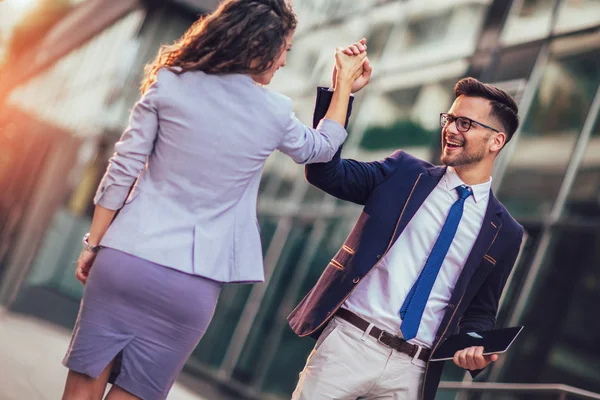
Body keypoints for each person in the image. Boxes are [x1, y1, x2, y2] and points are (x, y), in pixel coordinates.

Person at [60, 1, 370, 399]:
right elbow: (323, 148)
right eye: (285, 50)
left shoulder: (170, 81)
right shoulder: (274, 111)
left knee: (82, 388)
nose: (284, 63)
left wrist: (93, 243)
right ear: (261, 45)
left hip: (127, 259)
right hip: (193, 285)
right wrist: (343, 85)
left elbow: (122, 168)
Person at [288, 41, 523, 400]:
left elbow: (480, 311)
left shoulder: (505, 231)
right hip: (351, 343)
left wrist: (476, 349)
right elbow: (325, 173)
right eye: (449, 119)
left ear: (496, 141)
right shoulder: (402, 173)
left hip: (413, 370)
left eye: (465, 123)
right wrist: (343, 90)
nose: (450, 129)